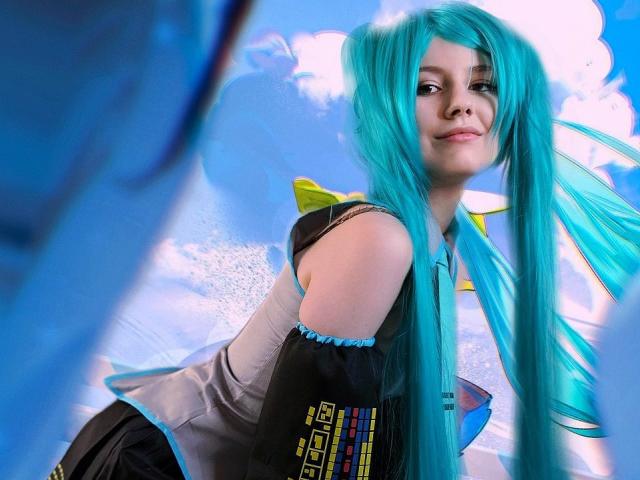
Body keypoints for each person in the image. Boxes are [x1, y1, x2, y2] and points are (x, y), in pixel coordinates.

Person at [51, 2, 640, 479]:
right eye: (426, 86)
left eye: (482, 84)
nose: (461, 103)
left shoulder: (435, 245)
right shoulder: (380, 240)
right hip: (163, 462)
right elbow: (305, 451)